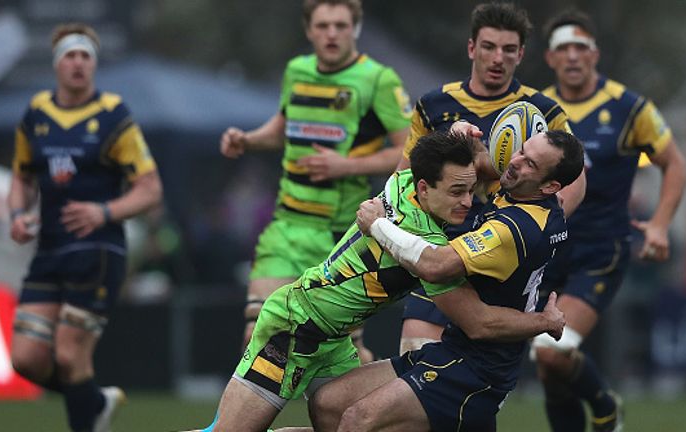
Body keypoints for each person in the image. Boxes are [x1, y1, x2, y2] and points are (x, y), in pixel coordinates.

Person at [194, 131, 479, 432]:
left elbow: (416, 151)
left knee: (355, 426)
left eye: (472, 190)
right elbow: (476, 320)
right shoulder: (426, 244)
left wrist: (461, 136)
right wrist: (533, 319)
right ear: (425, 188)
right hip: (293, 327)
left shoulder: (402, 181)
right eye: (457, 191)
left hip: (334, 341)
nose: (468, 201)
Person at [311, 129, 585, 432]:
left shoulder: (515, 230)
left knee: (358, 420)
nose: (515, 161)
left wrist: (377, 225)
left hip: (478, 371)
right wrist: (463, 138)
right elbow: (481, 162)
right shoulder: (530, 195)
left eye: (530, 163)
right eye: (522, 150)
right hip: (453, 349)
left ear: (550, 185)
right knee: (328, 402)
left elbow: (435, 265)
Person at [219, 0, 412, 361]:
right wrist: (248, 140)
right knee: (256, 336)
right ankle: (252, 418)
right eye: (323, 26)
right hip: (287, 226)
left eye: (340, 25)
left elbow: (408, 151)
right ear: (309, 30)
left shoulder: (378, 80)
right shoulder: (297, 70)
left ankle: (358, 411)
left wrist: (346, 166)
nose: (332, 34)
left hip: (340, 235)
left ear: (354, 28)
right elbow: (282, 128)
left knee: (343, 354)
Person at [396, 1, 585, 356]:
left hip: (502, 252)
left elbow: (573, 179)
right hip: (443, 244)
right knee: (415, 352)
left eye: (508, 49)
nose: (498, 58)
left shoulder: (541, 110)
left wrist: (541, 229)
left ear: (521, 54)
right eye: (489, 47)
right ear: (472, 48)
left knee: (478, 367)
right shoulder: (434, 105)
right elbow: (405, 176)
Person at [532, 9, 686, 432]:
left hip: (601, 250)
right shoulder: (535, 108)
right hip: (546, 252)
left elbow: (674, 164)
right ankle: (605, 408)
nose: (572, 56)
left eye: (580, 47)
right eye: (563, 48)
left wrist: (657, 223)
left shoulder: (628, 106)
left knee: (550, 351)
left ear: (595, 53)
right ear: (550, 58)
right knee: (550, 371)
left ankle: (604, 408)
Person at [7, 23, 162, 432]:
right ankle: (94, 402)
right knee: (24, 359)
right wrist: (17, 215)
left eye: (85, 56)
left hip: (98, 251)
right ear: (57, 64)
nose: (78, 63)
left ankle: (87, 420)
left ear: (94, 64)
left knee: (69, 354)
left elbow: (150, 189)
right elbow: (22, 177)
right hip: (49, 251)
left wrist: (105, 211)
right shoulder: (37, 111)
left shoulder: (113, 115)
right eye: (70, 56)